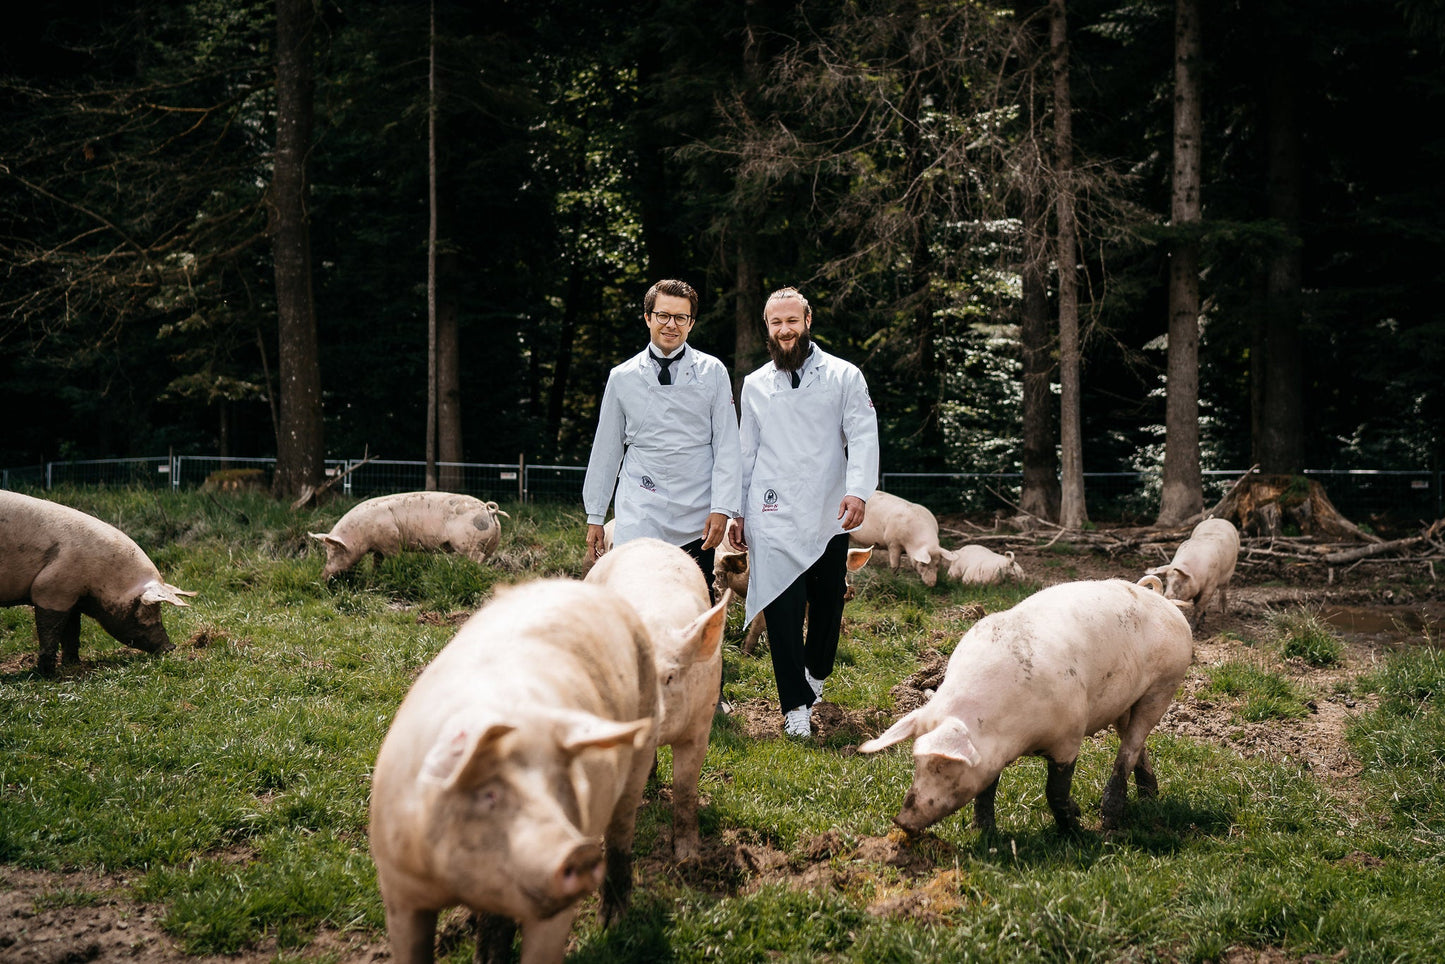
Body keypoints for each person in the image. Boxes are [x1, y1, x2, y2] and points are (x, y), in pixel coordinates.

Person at [728, 286, 879, 738]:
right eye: (776, 323)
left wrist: (858, 492)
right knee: (783, 610)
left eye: (792, 321)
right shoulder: (755, 385)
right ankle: (794, 705)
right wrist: (736, 511)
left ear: (808, 321)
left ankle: (815, 673)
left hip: (826, 511)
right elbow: (745, 452)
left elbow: (863, 434)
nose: (784, 330)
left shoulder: (844, 376)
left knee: (830, 602)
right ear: (767, 327)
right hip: (771, 513)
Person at [583, 278, 741, 597]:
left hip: (697, 506)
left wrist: (723, 507)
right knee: (635, 591)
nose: (671, 325)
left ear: (691, 323)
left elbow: (727, 444)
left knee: (693, 593)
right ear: (648, 318)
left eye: (681, 317)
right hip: (641, 502)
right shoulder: (622, 377)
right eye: (663, 315)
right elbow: (606, 448)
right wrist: (596, 515)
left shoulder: (713, 372)